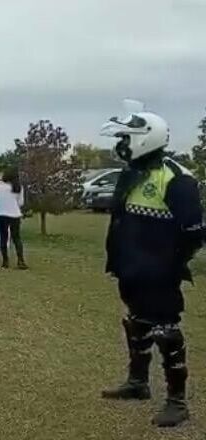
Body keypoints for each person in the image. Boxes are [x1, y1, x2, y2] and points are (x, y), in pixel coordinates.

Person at [99, 107, 204, 427]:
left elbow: (195, 232)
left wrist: (169, 264)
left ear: (145, 139)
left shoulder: (177, 179)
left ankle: (177, 401)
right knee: (136, 323)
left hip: (160, 272)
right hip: (130, 268)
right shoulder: (133, 173)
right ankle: (138, 383)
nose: (121, 145)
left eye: (125, 138)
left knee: (166, 331)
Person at [0, 167, 26, 270]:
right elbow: (21, 203)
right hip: (15, 215)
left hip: (0, 214)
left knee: (4, 238)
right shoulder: (18, 187)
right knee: (17, 238)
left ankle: (5, 262)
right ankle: (21, 261)